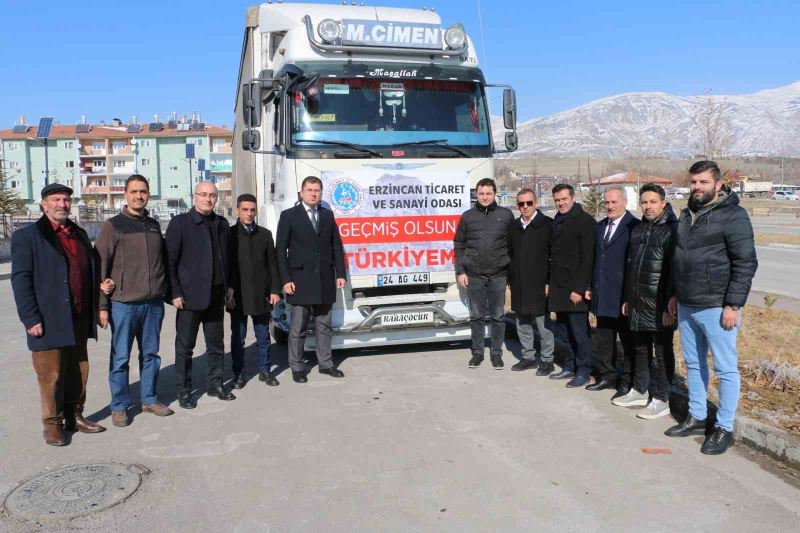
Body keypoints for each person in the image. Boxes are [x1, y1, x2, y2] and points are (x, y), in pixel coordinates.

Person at [665, 160, 758, 455]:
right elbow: (678, 259)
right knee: (693, 364)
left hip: (717, 306)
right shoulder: (687, 214)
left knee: (725, 368)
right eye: (694, 182)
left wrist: (733, 304)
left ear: (718, 184)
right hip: (687, 304)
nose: (697, 187)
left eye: (703, 182)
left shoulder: (733, 215)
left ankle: (724, 427)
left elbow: (745, 263)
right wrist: (674, 294)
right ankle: (697, 416)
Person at [11, 183, 107, 446]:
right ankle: (52, 425)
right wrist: (30, 318)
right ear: (44, 204)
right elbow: (21, 281)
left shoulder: (78, 234)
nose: (61, 204)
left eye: (65, 199)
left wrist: (100, 301)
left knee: (78, 371)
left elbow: (90, 270)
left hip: (77, 316)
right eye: (55, 199)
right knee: (50, 376)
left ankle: (74, 416)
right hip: (47, 319)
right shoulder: (27, 237)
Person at [95, 174, 173, 427]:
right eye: (134, 191)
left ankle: (149, 399)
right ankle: (119, 405)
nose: (139, 196)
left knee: (151, 354)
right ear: (125, 195)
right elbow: (101, 267)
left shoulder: (153, 225)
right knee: (120, 358)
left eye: (143, 191)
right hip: (123, 304)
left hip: (152, 304)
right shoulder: (112, 225)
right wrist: (102, 305)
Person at [165, 181, 235, 408]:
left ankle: (215, 384)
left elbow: (228, 259)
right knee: (185, 348)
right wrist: (174, 292)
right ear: (194, 196)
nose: (208, 199)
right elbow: (170, 262)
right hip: (188, 297)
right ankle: (184, 391)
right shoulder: (180, 223)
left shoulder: (222, 224)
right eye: (203, 195)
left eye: (212, 195)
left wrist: (229, 286)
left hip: (216, 296)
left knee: (216, 345)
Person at [275, 176, 347, 383]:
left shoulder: (327, 215)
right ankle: (297, 367)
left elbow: (335, 246)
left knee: (324, 326)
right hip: (299, 280)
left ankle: (326, 364)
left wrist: (340, 273)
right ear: (301, 191)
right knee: (298, 328)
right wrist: (285, 279)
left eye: (317, 190)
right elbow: (281, 251)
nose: (313, 193)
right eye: (310, 190)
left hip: (324, 279)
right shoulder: (289, 216)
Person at [619, 183, 678, 419]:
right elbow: (631, 267)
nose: (648, 206)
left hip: (660, 304)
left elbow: (674, 271)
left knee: (663, 351)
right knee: (640, 348)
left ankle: (662, 398)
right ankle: (639, 390)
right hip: (637, 301)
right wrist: (627, 299)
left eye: (653, 202)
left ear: (663, 203)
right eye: (644, 202)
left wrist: (668, 304)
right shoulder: (639, 229)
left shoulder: (672, 230)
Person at [454, 178, 515, 369]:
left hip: (498, 274)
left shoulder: (506, 215)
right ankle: (478, 353)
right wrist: (461, 271)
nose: (485, 197)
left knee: (498, 316)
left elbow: (513, 245)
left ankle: (496, 353)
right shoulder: (467, 216)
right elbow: (459, 244)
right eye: (481, 194)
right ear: (476, 194)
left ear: (495, 193)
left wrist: (510, 273)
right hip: (474, 274)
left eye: (488, 193)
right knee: (477, 316)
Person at [586, 187, 640, 393]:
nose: (609, 206)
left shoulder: (634, 227)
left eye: (614, 202)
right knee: (605, 340)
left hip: (624, 297)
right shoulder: (600, 227)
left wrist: (629, 296)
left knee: (627, 342)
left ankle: (627, 381)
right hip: (603, 295)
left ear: (625, 202)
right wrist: (590, 286)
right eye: (607, 202)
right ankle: (607, 375)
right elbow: (595, 260)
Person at [227, 193, 281, 388]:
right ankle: (238, 374)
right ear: (237, 211)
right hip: (237, 296)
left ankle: (265, 371)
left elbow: (272, 265)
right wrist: (228, 291)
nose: (249, 214)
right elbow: (227, 266)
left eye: (252, 210)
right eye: (245, 210)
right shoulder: (229, 235)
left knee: (263, 336)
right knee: (238, 339)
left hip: (262, 295)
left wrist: (275, 290)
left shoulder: (265, 235)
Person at [547, 184, 596, 387]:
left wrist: (579, 288)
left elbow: (587, 258)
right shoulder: (557, 221)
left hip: (574, 289)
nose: (561, 203)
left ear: (573, 198)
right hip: (559, 287)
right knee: (564, 331)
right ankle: (569, 364)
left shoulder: (584, 221)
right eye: (557, 200)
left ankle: (584, 369)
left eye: (564, 199)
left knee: (579, 332)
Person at [507, 188, 556, 376]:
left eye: (529, 203)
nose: (525, 207)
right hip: (519, 282)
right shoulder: (513, 227)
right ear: (517, 205)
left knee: (542, 324)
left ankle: (547, 360)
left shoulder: (547, 224)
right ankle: (528, 357)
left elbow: (554, 256)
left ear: (536, 203)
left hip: (539, 283)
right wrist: (511, 279)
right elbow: (510, 254)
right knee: (522, 321)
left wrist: (549, 281)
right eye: (521, 204)